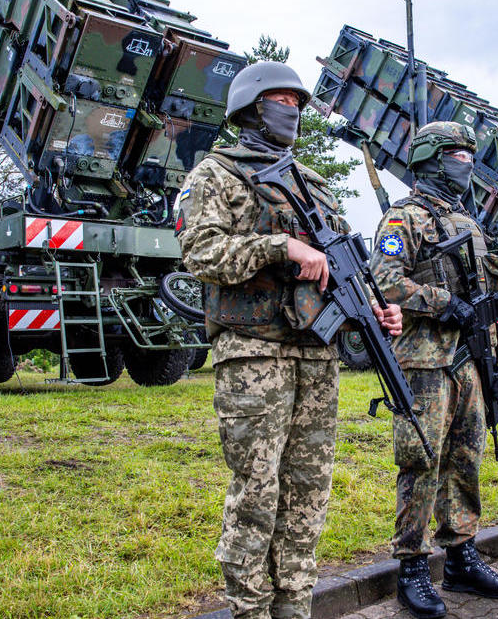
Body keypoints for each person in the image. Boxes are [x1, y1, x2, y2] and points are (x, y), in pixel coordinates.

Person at [177, 61, 403, 619]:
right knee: (256, 491)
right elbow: (199, 253)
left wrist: (373, 311)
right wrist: (280, 247)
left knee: (308, 491)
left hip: (314, 356)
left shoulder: (312, 183)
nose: (293, 111)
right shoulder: (217, 174)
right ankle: (251, 612)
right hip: (255, 355)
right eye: (283, 100)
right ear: (254, 106)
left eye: (299, 104)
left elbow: (338, 268)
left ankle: (295, 605)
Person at [370, 121, 498, 619]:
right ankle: (411, 565)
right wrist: (441, 302)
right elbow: (385, 283)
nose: (466, 162)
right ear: (433, 158)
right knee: (421, 460)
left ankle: (460, 554)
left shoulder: (468, 222)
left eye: (469, 154)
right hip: (425, 360)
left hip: (468, 359)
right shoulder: (403, 218)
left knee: (465, 456)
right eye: (457, 153)